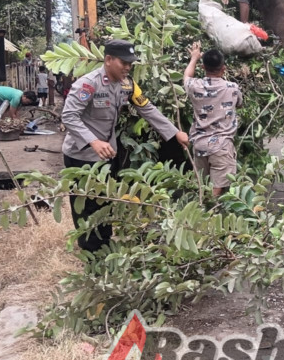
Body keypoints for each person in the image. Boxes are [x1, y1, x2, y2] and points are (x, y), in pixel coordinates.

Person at [61, 39, 189, 252]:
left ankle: (104, 246)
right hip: (81, 155)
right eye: (124, 62)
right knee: (85, 205)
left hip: (107, 154)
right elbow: (69, 116)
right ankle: (90, 252)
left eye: (131, 63)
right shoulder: (88, 84)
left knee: (104, 200)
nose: (128, 67)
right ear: (108, 60)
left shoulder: (128, 85)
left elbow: (147, 108)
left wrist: (175, 132)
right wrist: (93, 141)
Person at [183, 42, 243, 197]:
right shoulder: (232, 88)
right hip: (221, 146)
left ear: (203, 67)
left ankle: (201, 207)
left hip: (200, 145)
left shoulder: (194, 86)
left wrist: (194, 57)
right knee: (218, 188)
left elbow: (187, 76)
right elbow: (240, 104)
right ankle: (208, 209)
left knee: (202, 185)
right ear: (224, 68)